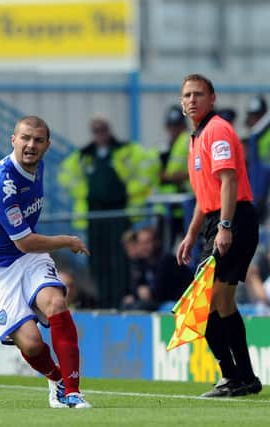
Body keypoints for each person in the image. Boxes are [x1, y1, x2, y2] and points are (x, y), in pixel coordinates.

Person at [0, 115, 92, 409]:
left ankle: (73, 392)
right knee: (33, 344)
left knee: (56, 303)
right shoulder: (3, 184)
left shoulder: (38, 166)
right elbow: (24, 240)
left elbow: (26, 246)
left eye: (38, 140)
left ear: (47, 146)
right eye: (24, 138)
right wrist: (67, 240)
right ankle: (56, 378)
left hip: (27, 257)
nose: (30, 145)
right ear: (13, 140)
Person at [176, 73, 262, 397]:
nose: (192, 100)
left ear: (212, 99)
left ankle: (231, 376)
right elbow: (204, 195)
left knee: (205, 301)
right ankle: (245, 378)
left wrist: (224, 227)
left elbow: (229, 181)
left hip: (234, 218)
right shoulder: (195, 138)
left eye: (199, 94)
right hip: (219, 219)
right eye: (187, 95)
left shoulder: (218, 131)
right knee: (223, 304)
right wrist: (190, 234)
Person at [58, 117, 159, 309]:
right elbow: (66, 176)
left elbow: (147, 170)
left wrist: (130, 190)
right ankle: (103, 301)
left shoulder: (125, 151)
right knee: (98, 260)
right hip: (95, 216)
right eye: (96, 131)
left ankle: (120, 298)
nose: (100, 134)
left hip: (119, 213)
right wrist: (87, 193)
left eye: (103, 130)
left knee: (121, 259)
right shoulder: (85, 156)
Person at [157, 105, 191, 244]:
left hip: (186, 205)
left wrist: (171, 176)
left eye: (177, 125)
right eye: (171, 126)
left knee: (190, 246)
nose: (174, 129)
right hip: (168, 206)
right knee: (165, 247)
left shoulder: (188, 140)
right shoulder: (165, 147)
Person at [243, 94, 270, 223]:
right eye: (253, 116)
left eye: (258, 116)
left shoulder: (262, 134)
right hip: (256, 189)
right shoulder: (254, 136)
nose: (255, 120)